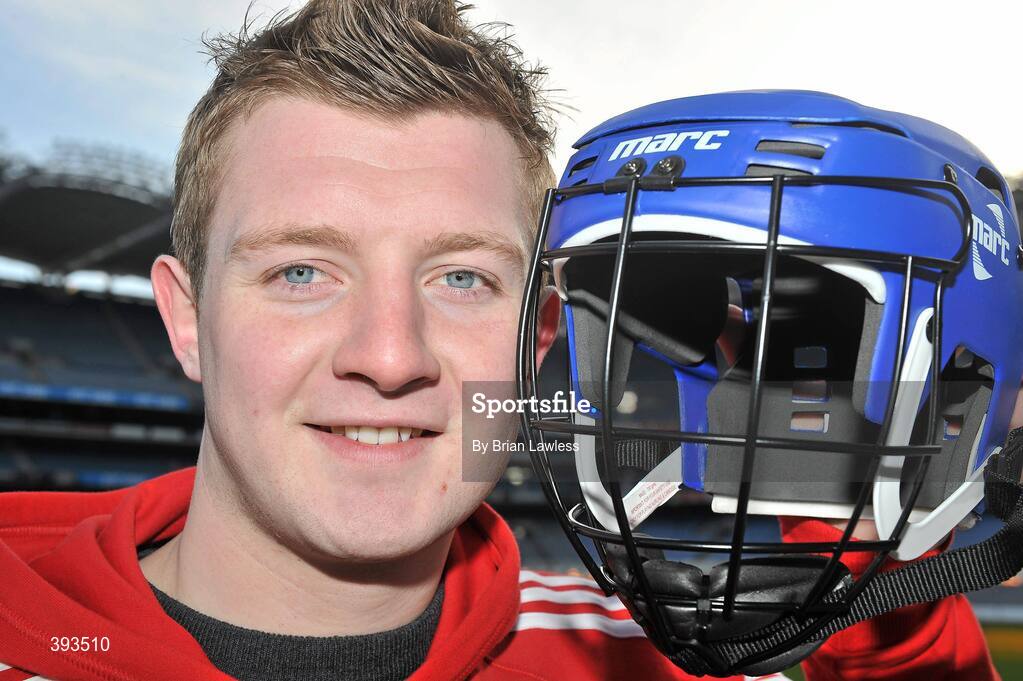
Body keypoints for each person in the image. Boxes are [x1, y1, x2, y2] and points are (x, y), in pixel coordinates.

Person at [0, 2, 1002, 680]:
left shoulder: (661, 661)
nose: (390, 355)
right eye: (302, 271)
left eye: (463, 278)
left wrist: (876, 570)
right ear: (185, 319)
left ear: (540, 339)